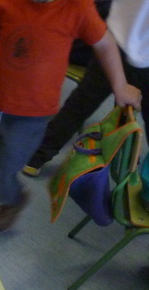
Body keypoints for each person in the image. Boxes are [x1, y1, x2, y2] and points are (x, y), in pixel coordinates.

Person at [0, 0, 142, 233]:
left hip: (29, 119)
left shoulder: (77, 8)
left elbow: (105, 44)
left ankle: (13, 199)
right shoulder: (6, 3)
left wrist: (120, 85)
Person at [24, 0, 147, 177]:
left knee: (80, 104)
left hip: (115, 37)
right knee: (82, 103)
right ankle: (125, 160)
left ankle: (36, 157)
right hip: (117, 40)